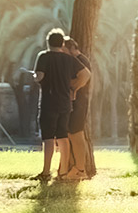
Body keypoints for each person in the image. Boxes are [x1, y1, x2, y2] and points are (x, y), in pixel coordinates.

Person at [31, 28, 83, 183]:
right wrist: (75, 87)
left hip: (49, 102)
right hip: (65, 103)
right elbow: (85, 73)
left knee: (48, 137)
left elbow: (39, 76)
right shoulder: (69, 59)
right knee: (62, 136)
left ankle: (46, 171)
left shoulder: (43, 56)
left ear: (48, 43)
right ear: (62, 44)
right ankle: (63, 171)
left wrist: (34, 76)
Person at [58, 38, 95, 180]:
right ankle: (73, 167)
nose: (62, 54)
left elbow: (83, 78)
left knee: (76, 134)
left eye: (64, 50)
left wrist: (69, 86)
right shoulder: (76, 60)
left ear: (72, 48)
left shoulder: (81, 61)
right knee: (70, 134)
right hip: (73, 103)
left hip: (79, 103)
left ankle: (80, 169)